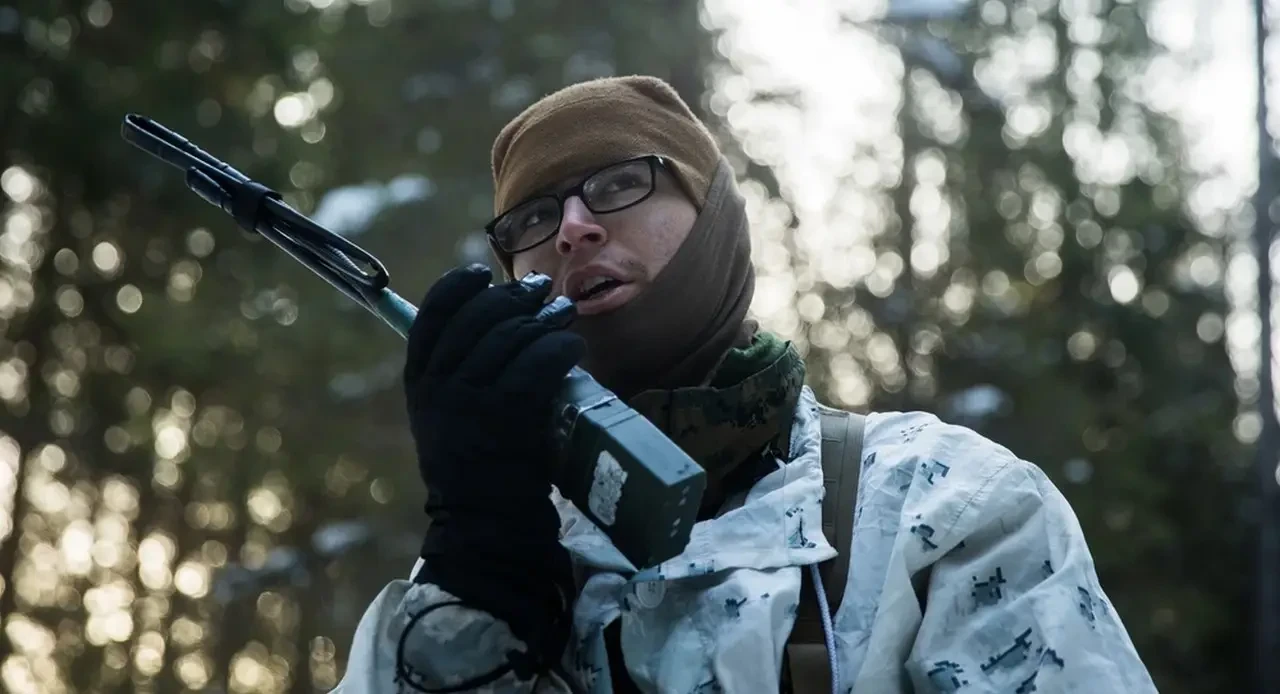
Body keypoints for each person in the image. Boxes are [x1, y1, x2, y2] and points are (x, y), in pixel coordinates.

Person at [332, 76, 1157, 693]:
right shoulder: (504, 550)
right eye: (531, 220)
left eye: (617, 184)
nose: (574, 230)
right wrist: (470, 590)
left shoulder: (941, 504)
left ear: (715, 220)